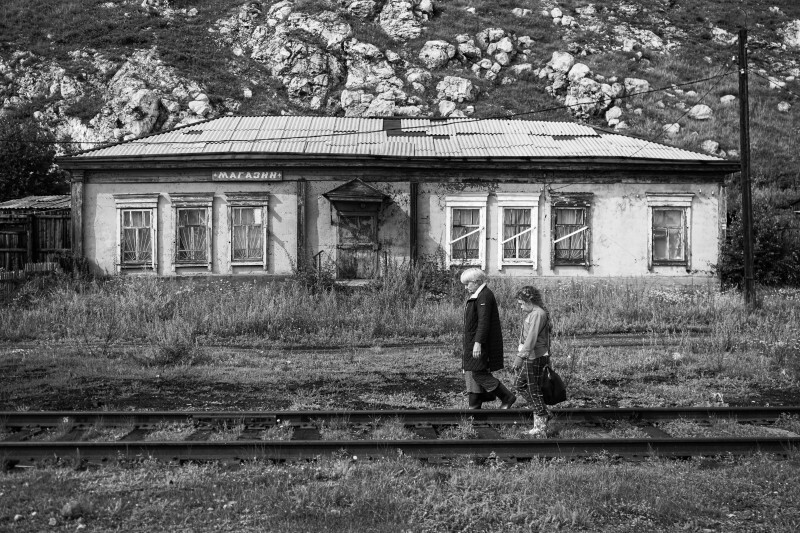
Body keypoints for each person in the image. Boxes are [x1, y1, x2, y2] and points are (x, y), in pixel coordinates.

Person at [460, 268, 516, 410]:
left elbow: (484, 322)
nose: (466, 288)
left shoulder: (484, 296)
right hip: (473, 342)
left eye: (467, 284)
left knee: (478, 373)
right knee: (473, 371)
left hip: (480, 343)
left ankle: (506, 397)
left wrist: (478, 343)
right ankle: (477, 403)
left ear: (477, 282)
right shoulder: (479, 295)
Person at [512, 285, 552, 437]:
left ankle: (540, 427)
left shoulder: (538, 314)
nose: (521, 307)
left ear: (529, 301)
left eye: (522, 304)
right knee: (520, 384)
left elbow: (532, 337)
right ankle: (542, 411)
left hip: (535, 356)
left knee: (533, 390)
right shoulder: (534, 313)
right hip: (531, 355)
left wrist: (520, 356)